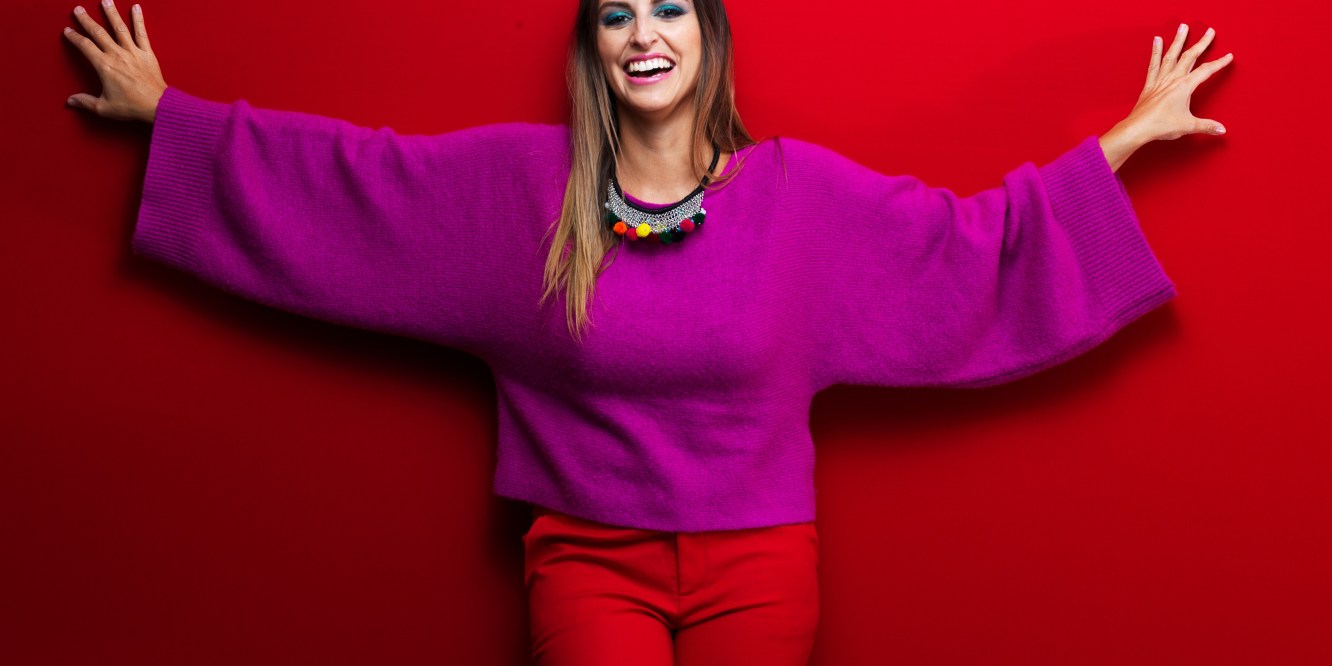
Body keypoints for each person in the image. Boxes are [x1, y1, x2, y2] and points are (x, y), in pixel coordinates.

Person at [62, 1, 1233, 664]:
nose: (642, 31)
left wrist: (1119, 143)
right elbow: (357, 189)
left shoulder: (796, 199)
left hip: (759, 565)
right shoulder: (524, 195)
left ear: (707, 34)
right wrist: (172, 118)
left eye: (668, 6)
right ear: (595, 47)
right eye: (616, 13)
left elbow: (962, 247)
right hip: (587, 561)